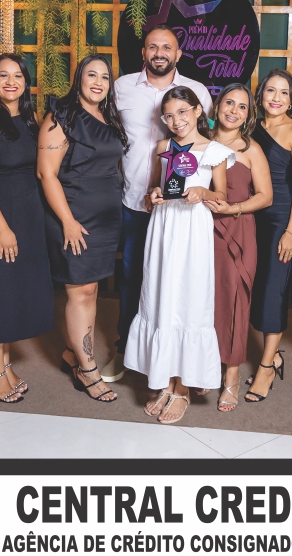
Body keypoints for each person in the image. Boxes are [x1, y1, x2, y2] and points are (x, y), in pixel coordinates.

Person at [104, 25, 213, 382]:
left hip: (183, 212)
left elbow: (210, 143)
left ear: (178, 54)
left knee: (179, 282)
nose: (159, 53)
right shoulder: (121, 88)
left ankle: (178, 360)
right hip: (135, 200)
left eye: (167, 47)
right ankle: (126, 350)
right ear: (143, 53)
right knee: (132, 278)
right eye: (153, 47)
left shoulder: (197, 92)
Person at [124, 86, 235, 424]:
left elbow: (222, 197)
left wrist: (203, 191)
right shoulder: (163, 148)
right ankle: (164, 382)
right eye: (169, 115)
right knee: (161, 298)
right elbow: (151, 193)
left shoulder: (214, 151)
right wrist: (154, 195)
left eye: (183, 112)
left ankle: (183, 387)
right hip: (163, 228)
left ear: (198, 111)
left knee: (188, 299)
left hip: (193, 231)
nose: (176, 121)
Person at [37, 54, 129, 403]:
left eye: (105, 77)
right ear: (79, 78)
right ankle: (88, 370)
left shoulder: (109, 116)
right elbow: (46, 173)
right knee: (82, 291)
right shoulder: (61, 116)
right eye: (92, 74)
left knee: (91, 290)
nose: (98, 82)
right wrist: (68, 221)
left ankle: (72, 353)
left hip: (106, 217)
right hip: (74, 216)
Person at [0, 54, 54, 404]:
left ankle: (3, 363)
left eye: (17, 75)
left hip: (29, 214)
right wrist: (2, 228)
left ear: (25, 82)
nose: (11, 81)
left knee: (15, 289)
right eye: (3, 75)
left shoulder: (32, 120)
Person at [201, 83, 273, 412]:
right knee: (203, 299)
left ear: (248, 115)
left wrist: (234, 208)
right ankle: (203, 364)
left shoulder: (251, 150)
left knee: (233, 301)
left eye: (242, 107)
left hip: (237, 231)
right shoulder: (199, 142)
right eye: (229, 103)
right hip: (199, 230)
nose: (234, 110)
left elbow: (266, 196)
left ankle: (231, 375)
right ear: (217, 107)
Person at [246, 69, 292, 403]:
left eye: (284, 92)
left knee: (274, 291)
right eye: (270, 90)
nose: (276, 98)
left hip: (280, 220)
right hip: (250, 216)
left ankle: (267, 366)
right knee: (252, 288)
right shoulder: (250, 128)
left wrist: (291, 231)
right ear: (260, 95)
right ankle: (270, 358)